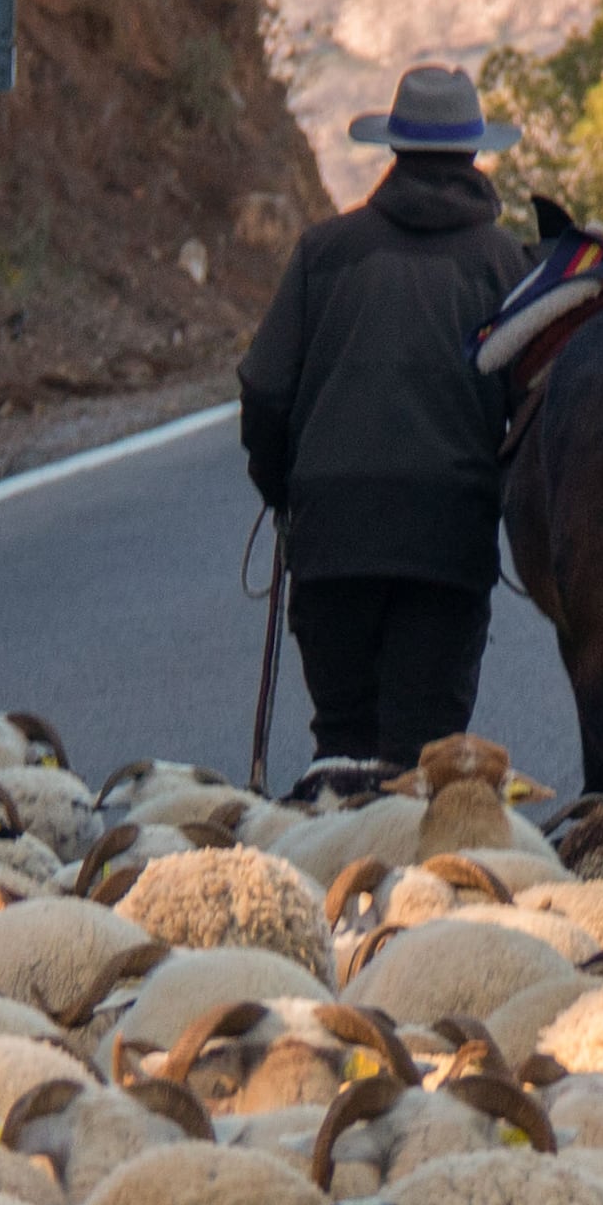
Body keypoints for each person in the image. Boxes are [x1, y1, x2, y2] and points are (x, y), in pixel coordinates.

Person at [236, 65, 531, 781]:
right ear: (473, 154)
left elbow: (266, 389)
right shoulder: (506, 266)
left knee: (341, 744)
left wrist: (285, 492)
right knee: (425, 760)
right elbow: (534, 412)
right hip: (446, 541)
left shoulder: (325, 251)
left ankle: (332, 884)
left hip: (332, 537)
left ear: (394, 150)